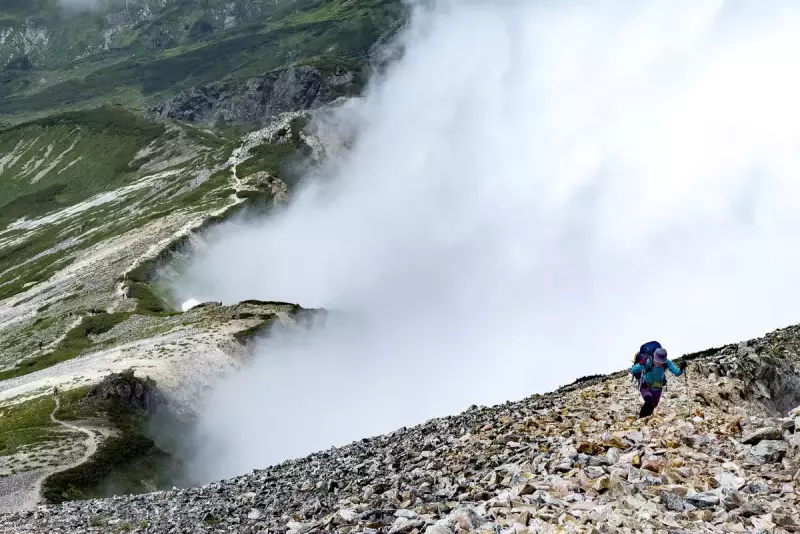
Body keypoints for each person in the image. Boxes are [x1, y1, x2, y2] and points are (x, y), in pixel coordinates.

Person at [630, 347, 687, 418]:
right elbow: (633, 370)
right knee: (649, 401)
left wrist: (681, 368)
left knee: (653, 404)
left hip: (657, 386)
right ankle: (641, 419)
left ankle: (647, 419)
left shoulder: (667, 362)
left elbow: (677, 372)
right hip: (645, 385)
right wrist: (642, 363)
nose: (659, 364)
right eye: (658, 362)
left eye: (661, 362)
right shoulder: (648, 361)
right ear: (654, 358)